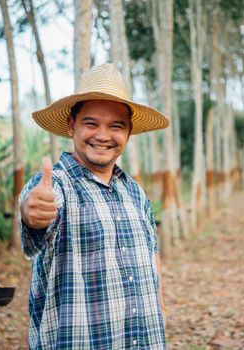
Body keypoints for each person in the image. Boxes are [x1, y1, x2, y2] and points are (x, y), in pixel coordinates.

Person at [19, 64, 169, 349]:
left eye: (116, 126)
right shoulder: (56, 186)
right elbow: (35, 213)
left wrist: (161, 306)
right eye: (91, 124)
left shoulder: (134, 191)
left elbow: (152, 252)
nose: (103, 135)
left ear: (129, 132)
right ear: (71, 125)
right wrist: (32, 212)